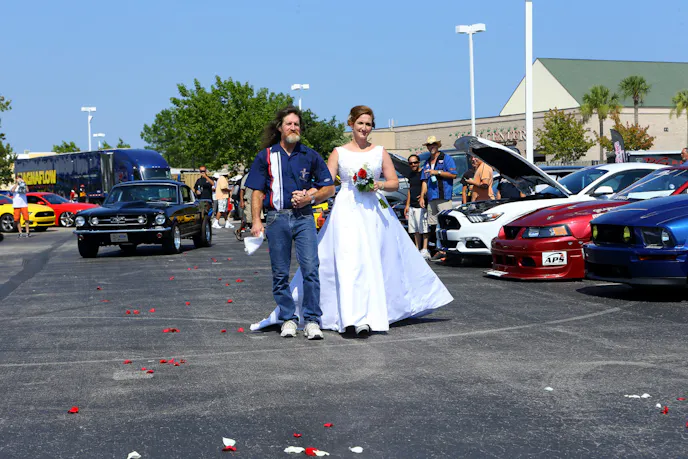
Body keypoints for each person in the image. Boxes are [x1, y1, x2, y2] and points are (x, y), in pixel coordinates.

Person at [251, 105, 453, 337]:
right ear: (351, 124)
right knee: (342, 263)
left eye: (368, 124)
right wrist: (306, 196)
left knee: (368, 262)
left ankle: (365, 314)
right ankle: (336, 316)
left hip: (371, 212)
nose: (364, 128)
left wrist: (376, 184)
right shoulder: (336, 152)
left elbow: (391, 183)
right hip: (343, 211)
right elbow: (325, 184)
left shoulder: (377, 152)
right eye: (360, 123)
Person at [246, 106, 334, 340]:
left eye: (297, 124)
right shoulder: (266, 156)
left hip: (304, 217)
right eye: (289, 124)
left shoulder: (310, 155)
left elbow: (329, 187)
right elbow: (256, 191)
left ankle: (312, 320)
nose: (293, 127)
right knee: (280, 273)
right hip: (276, 218)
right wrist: (256, 221)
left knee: (310, 269)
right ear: (280, 128)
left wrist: (310, 197)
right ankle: (288, 318)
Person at [419, 136, 457, 261]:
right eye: (429, 145)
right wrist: (422, 196)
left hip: (443, 196)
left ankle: (445, 250)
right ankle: (438, 249)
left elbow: (453, 175)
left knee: (445, 224)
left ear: (438, 145)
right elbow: (424, 180)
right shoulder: (427, 162)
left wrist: (438, 172)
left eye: (433, 144)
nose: (431, 147)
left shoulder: (446, 158)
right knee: (433, 225)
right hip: (431, 197)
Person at [404, 154, 430, 259]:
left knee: (423, 228)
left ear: (419, 163)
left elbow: (426, 185)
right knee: (415, 228)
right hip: (412, 204)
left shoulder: (423, 173)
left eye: (415, 162)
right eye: (411, 163)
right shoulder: (411, 175)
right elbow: (410, 190)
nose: (413, 165)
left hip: (421, 204)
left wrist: (423, 196)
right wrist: (407, 204)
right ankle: (417, 247)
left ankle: (425, 249)